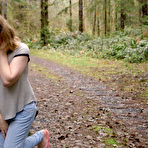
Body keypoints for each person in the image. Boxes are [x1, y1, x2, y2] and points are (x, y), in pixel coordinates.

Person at [0, 15, 49, 148]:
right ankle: (40, 137)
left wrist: (1, 50)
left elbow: (7, 79)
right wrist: (0, 118)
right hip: (2, 113)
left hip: (23, 109)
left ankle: (40, 136)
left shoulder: (21, 49)